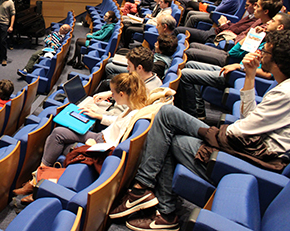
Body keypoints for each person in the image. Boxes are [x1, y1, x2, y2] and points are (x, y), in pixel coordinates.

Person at [109, 29, 290, 231]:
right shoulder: (282, 86)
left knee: (167, 124)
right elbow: (248, 118)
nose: (260, 53)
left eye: (265, 52)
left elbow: (238, 131)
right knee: (166, 120)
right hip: (245, 144)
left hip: (249, 153)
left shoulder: (286, 93)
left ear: (278, 61)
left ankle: (146, 194)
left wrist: (212, 132)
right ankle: (157, 205)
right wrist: (249, 76)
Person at [13, 72, 149, 204]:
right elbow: (117, 122)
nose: (111, 96)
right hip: (100, 137)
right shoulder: (134, 106)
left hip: (102, 145)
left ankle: (36, 179)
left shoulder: (133, 114)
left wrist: (92, 145)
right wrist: (99, 116)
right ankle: (38, 176)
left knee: (60, 138)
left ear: (122, 94)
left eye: (113, 93)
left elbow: (116, 145)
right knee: (59, 132)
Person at [178, 12, 290, 119]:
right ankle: (199, 109)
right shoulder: (265, 41)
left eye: (273, 21)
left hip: (237, 74)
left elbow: (268, 74)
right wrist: (252, 35)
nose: (269, 22)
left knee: (185, 74)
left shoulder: (276, 50)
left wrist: (240, 67)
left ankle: (192, 114)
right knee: (191, 64)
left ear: (280, 27)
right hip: (235, 69)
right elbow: (234, 52)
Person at [185, 0, 283, 66]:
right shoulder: (258, 20)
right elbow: (240, 35)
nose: (254, 8)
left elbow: (237, 51)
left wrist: (244, 36)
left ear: (266, 11)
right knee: (193, 45)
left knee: (190, 52)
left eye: (257, 6)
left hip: (232, 58)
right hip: (231, 49)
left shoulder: (262, 31)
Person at [176, 0, 260, 44]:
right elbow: (237, 26)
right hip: (216, 31)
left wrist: (224, 24)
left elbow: (236, 31)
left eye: (247, 5)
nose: (245, 8)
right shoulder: (251, 16)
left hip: (216, 35)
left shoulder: (255, 20)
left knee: (179, 30)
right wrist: (228, 23)